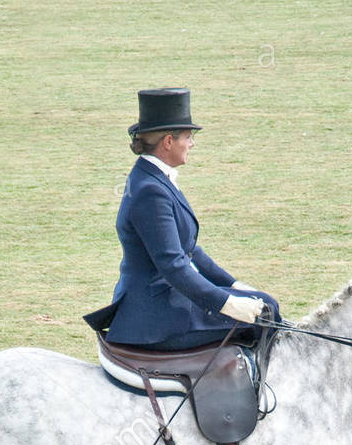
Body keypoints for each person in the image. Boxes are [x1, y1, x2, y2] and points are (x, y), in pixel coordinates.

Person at [86, 88, 280, 350]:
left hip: (168, 300)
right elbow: (174, 265)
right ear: (168, 141)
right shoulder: (150, 191)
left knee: (264, 303)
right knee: (265, 315)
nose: (192, 143)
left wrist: (233, 284)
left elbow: (188, 249)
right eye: (188, 137)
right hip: (158, 315)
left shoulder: (155, 178)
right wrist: (228, 303)